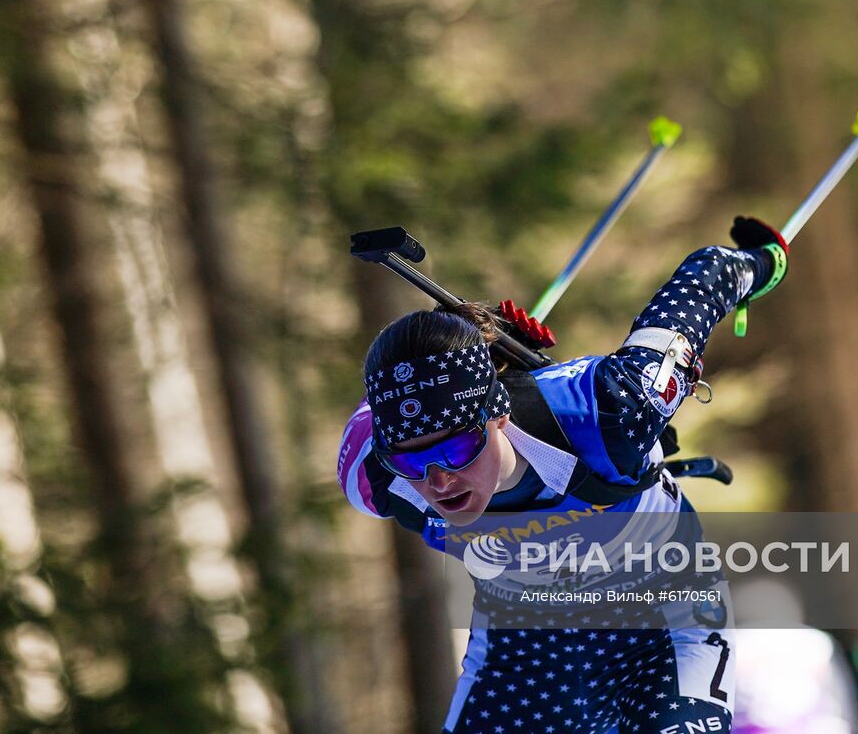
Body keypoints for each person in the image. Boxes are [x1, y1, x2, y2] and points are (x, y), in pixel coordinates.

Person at [337, 217, 788, 734]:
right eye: (412, 461)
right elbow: (390, 400)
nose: (438, 481)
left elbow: (703, 285)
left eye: (458, 447)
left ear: (497, 413)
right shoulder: (375, 477)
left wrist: (761, 260)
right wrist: (474, 342)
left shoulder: (609, 409)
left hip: (661, 625)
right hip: (525, 649)